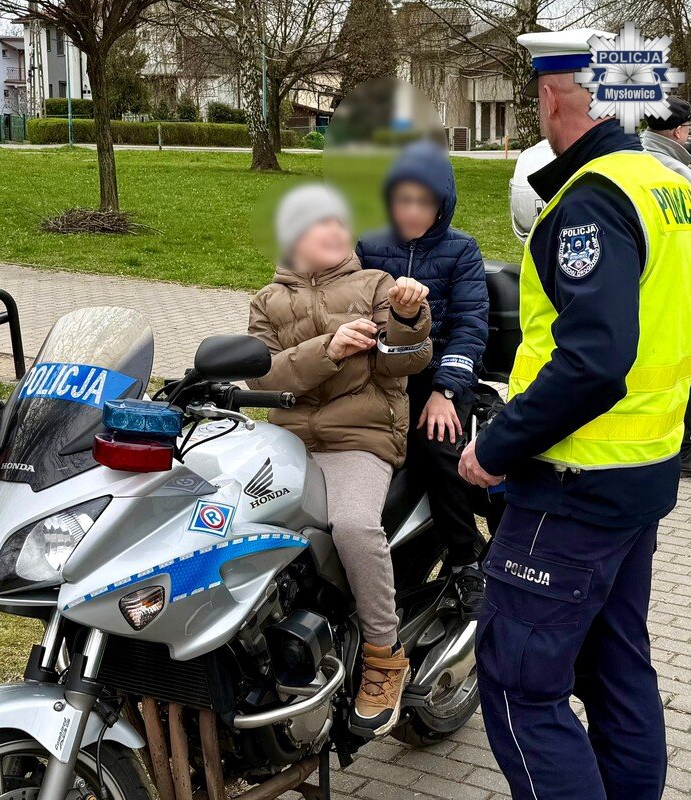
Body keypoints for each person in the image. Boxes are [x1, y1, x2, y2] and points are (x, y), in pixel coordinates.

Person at [459, 30, 691, 800]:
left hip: (573, 486)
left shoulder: (592, 197)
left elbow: (595, 359)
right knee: (615, 668)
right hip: (643, 474)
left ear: (551, 94)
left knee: (517, 685)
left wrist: (496, 446)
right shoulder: (669, 185)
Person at [248, 184, 432, 739]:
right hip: (288, 441)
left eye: (338, 221)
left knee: (352, 526)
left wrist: (407, 317)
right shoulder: (266, 302)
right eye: (317, 223)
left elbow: (406, 362)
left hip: (360, 438)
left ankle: (383, 654)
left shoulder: (377, 285)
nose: (333, 231)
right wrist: (327, 350)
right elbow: (261, 377)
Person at [357, 140, 490, 618]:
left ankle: (464, 559)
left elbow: (471, 327)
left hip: (436, 376)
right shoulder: (368, 245)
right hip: (380, 375)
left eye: (424, 201)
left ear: (442, 205)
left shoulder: (462, 250)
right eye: (403, 199)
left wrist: (445, 392)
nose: (412, 211)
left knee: (437, 448)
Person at [640, 96, 691, 477]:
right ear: (679, 131)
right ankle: (678, 449)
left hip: (653, 279)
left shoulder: (641, 155)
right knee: (681, 366)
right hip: (672, 284)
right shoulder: (670, 166)